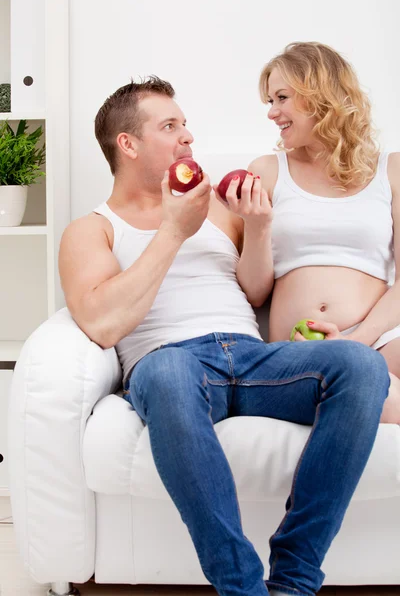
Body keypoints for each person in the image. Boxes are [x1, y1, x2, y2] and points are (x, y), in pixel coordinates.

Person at [58, 76, 390, 596]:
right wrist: (172, 229)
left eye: (186, 124)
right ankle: (240, 585)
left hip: (254, 359)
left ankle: (296, 574)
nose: (188, 137)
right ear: (128, 144)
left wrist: (256, 227)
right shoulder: (92, 229)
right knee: (167, 371)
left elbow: (256, 294)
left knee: (360, 365)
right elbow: (102, 323)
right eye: (170, 126)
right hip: (172, 364)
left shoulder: (216, 209)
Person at [227, 41, 400, 424]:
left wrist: (356, 343)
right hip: (299, 348)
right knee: (380, 397)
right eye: (269, 101)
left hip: (380, 338)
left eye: (282, 98)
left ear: (320, 95)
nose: (272, 113)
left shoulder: (393, 170)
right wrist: (256, 226)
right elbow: (255, 293)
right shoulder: (268, 171)